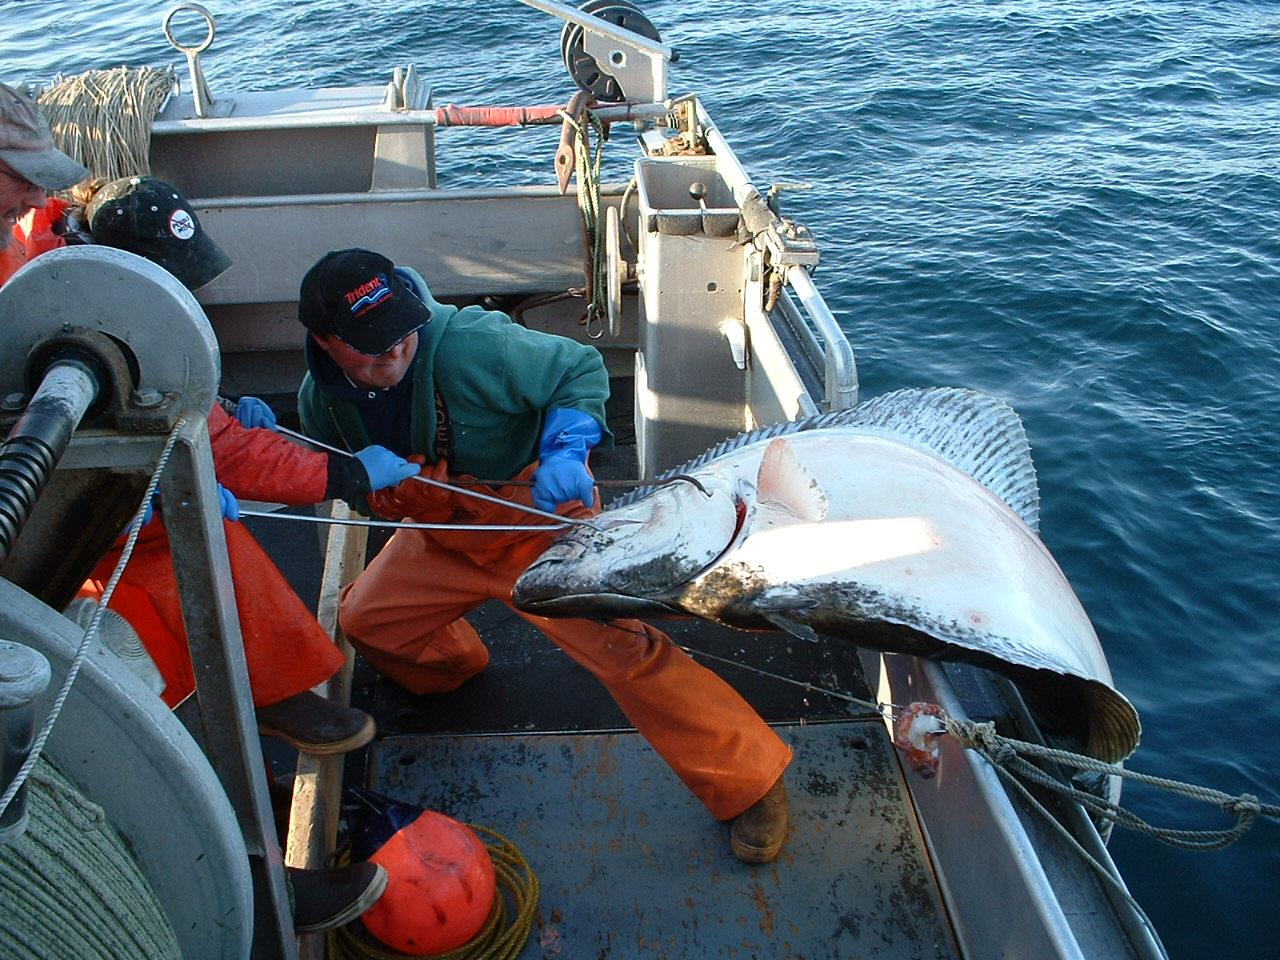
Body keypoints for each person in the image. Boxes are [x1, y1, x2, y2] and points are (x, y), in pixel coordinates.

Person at [296, 249, 793, 863]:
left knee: (624, 649)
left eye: (399, 327)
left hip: (536, 525)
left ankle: (749, 781)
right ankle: (455, 666)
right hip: (438, 535)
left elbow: (578, 369)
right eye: (370, 341)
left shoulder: (472, 346)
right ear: (324, 342)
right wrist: (359, 484)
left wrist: (567, 447)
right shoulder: (321, 403)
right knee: (367, 622)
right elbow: (345, 483)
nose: (394, 347)